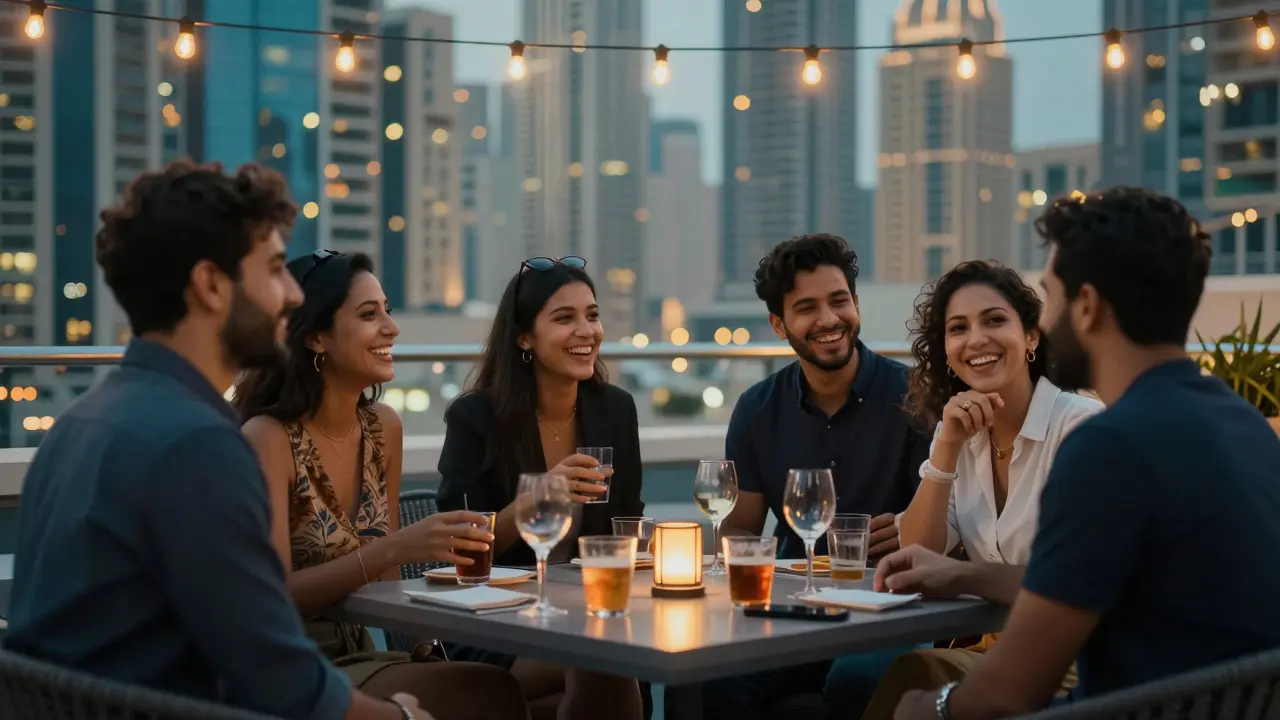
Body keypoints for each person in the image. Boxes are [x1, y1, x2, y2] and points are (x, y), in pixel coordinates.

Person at [5, 161, 428, 719]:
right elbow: (278, 678)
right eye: (275, 270)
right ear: (210, 284)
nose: (293, 296)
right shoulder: (199, 446)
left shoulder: (81, 423)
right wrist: (399, 717)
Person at [884, 187, 1280, 719]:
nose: (1043, 325)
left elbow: (1010, 693)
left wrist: (928, 709)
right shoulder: (1244, 424)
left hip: (1124, 708)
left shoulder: (1108, 446)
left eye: (1051, 298)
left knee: (911, 702)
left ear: (1087, 306)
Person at [233, 250, 530, 720]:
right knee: (490, 692)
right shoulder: (267, 438)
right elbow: (273, 597)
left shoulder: (381, 429)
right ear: (315, 337)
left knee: (576, 680)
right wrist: (395, 548)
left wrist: (427, 648)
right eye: (369, 315)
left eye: (388, 310)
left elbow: (389, 587)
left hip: (366, 652)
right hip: (294, 667)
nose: (391, 327)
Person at [853, 260, 1102, 720]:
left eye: (994, 320)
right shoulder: (961, 436)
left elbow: (1081, 584)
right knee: (908, 672)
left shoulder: (1079, 428)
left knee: (910, 684)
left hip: (1083, 662)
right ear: (947, 351)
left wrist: (962, 576)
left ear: (1031, 336)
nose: (976, 340)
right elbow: (918, 552)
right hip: (1005, 652)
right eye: (958, 328)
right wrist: (945, 450)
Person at [704, 234, 933, 720]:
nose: (828, 320)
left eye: (839, 301)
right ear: (778, 324)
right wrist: (739, 556)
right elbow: (740, 527)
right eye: (806, 308)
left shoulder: (916, 396)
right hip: (795, 610)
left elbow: (944, 521)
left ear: (856, 304)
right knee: (715, 675)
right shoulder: (756, 408)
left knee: (857, 680)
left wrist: (911, 529)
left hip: (890, 608)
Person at [436, 256, 645, 720]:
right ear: (524, 337)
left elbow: (627, 522)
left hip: (586, 610)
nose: (587, 330)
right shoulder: (476, 418)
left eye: (592, 315)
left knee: (598, 661)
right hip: (496, 622)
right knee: (604, 658)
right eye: (564, 318)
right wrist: (537, 500)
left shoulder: (615, 410)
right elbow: (460, 549)